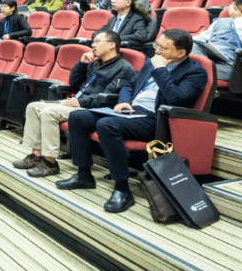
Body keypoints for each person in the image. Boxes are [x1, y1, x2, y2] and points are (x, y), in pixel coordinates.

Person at [57, 30, 207, 213]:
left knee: (106, 125)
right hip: (131, 111)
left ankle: (122, 189)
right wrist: (124, 101)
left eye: (163, 48)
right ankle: (84, 175)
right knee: (78, 117)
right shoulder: (150, 62)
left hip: (156, 119)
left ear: (180, 53)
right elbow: (129, 85)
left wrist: (160, 69)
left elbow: (175, 100)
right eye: (156, 46)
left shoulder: (195, 73)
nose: (157, 51)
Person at [12, 31, 135, 177]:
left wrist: (79, 102)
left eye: (97, 41)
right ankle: (36, 155)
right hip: (79, 102)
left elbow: (107, 97)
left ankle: (50, 163)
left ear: (111, 45)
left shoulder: (124, 68)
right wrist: (81, 64)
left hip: (95, 108)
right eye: (93, 42)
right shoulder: (94, 63)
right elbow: (74, 82)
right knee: (33, 107)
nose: (93, 45)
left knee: (49, 112)